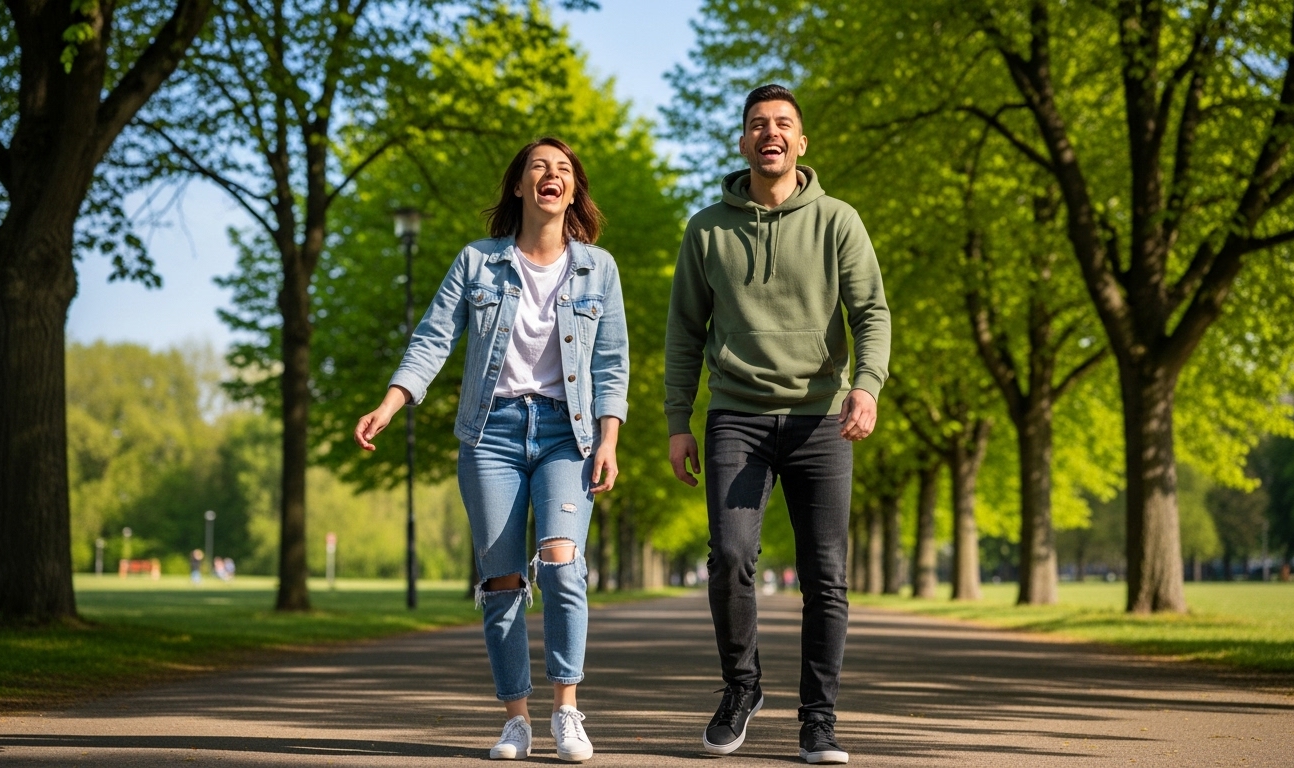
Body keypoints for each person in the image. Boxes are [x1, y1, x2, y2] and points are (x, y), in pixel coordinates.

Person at [354, 137, 627, 763]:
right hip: (491, 435)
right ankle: (516, 719)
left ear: (573, 191)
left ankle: (566, 711)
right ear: (518, 186)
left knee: (561, 562)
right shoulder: (477, 263)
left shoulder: (598, 268)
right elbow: (433, 337)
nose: (550, 176)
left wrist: (609, 439)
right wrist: (391, 402)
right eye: (539, 167)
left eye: (563, 170)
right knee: (502, 579)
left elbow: (612, 363)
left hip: (568, 433)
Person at [664, 84, 891, 765]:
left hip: (821, 418)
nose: (771, 132)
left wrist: (868, 388)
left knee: (826, 573)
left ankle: (818, 721)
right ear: (742, 142)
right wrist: (679, 420)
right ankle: (742, 688)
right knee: (731, 556)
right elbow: (683, 332)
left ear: (800, 142)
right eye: (758, 124)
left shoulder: (838, 221)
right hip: (736, 415)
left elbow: (871, 313)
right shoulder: (707, 229)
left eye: (783, 124)